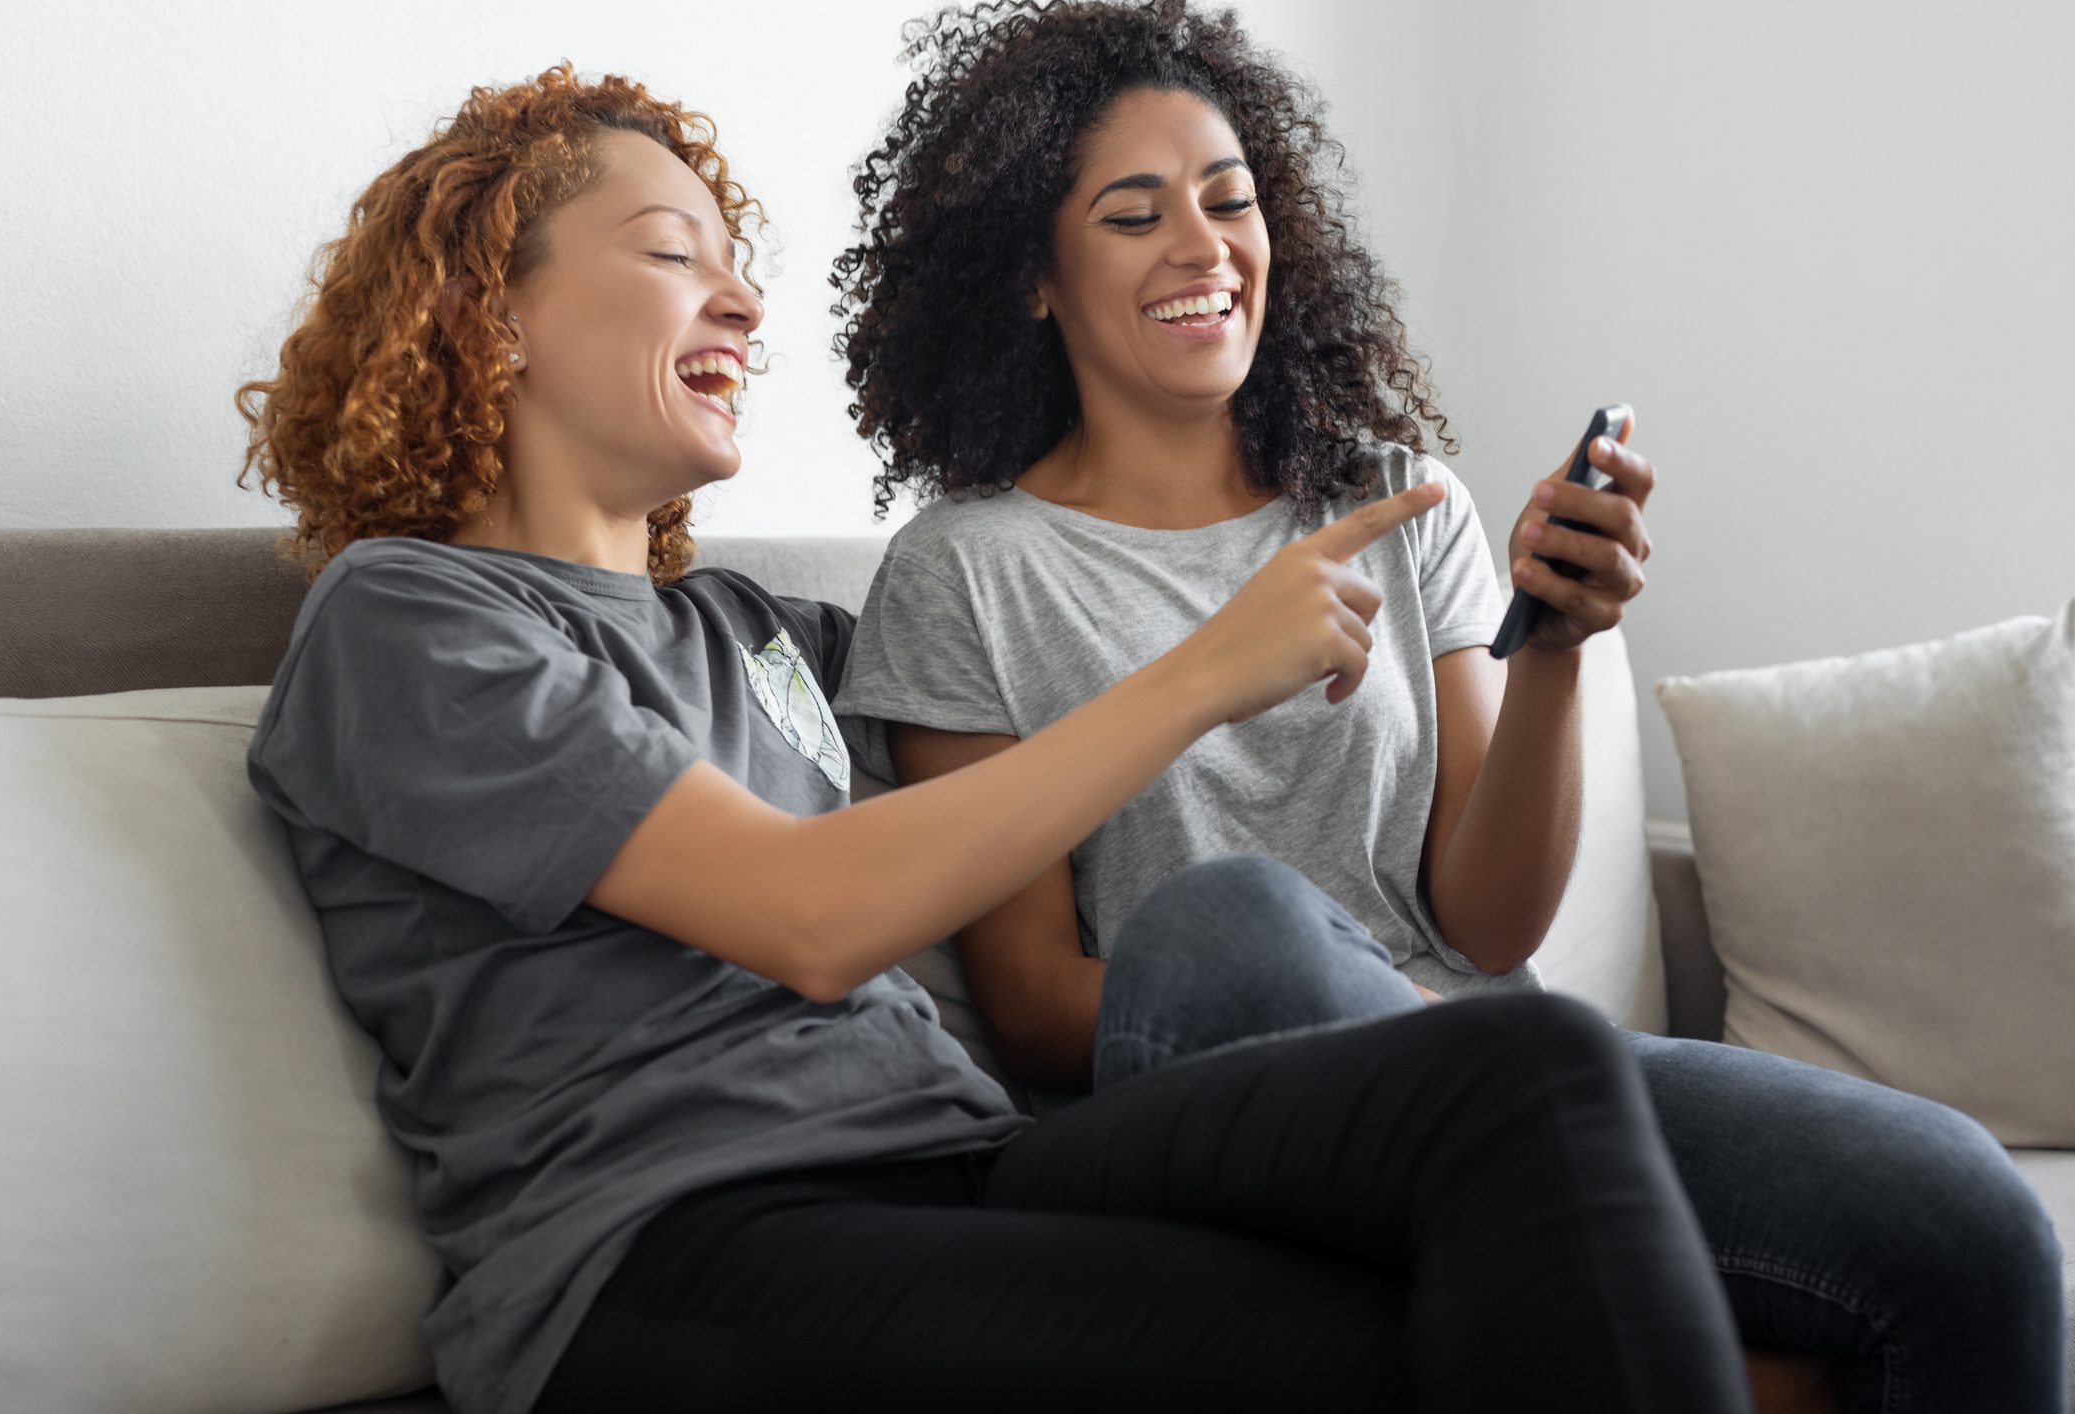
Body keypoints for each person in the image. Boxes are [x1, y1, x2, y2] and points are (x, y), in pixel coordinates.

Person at [235, 62, 1760, 1414]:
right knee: (1390, 1339)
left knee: (1521, 1062)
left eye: (737, 264)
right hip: (671, 1240)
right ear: (482, 313)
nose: (745, 302)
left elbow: (1012, 803)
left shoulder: (773, 635)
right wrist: (1198, 674)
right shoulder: (409, 619)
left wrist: (1523, 646)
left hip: (959, 1158)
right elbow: (810, 915)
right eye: (668, 253)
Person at [826, 4, 2068, 1412]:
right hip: (1206, 1108)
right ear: (1029, 276)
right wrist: (1383, 1027)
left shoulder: (1393, 497)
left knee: (1974, 1225)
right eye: (1131, 214)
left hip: (1506, 1071)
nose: (1202, 245)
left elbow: (1486, 925)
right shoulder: (966, 569)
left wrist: (1551, 645)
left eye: (1230, 200)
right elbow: (1045, 1013)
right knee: (1235, 916)